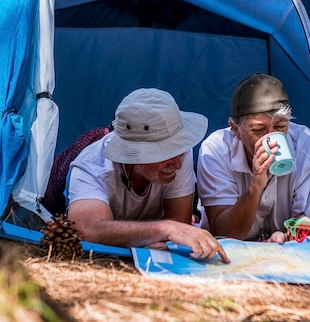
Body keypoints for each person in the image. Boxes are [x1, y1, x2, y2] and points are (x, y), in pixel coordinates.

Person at [67, 88, 230, 262]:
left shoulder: (180, 153)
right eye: (165, 153)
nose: (178, 164)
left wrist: (169, 228)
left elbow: (180, 223)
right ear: (132, 153)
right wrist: (165, 228)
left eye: (179, 150)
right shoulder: (91, 167)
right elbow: (87, 231)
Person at [197, 73, 310, 243]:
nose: (271, 138)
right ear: (235, 130)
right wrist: (256, 186)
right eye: (258, 130)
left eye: (280, 126)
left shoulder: (306, 146)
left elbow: (305, 219)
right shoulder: (216, 150)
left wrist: (287, 236)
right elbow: (223, 231)